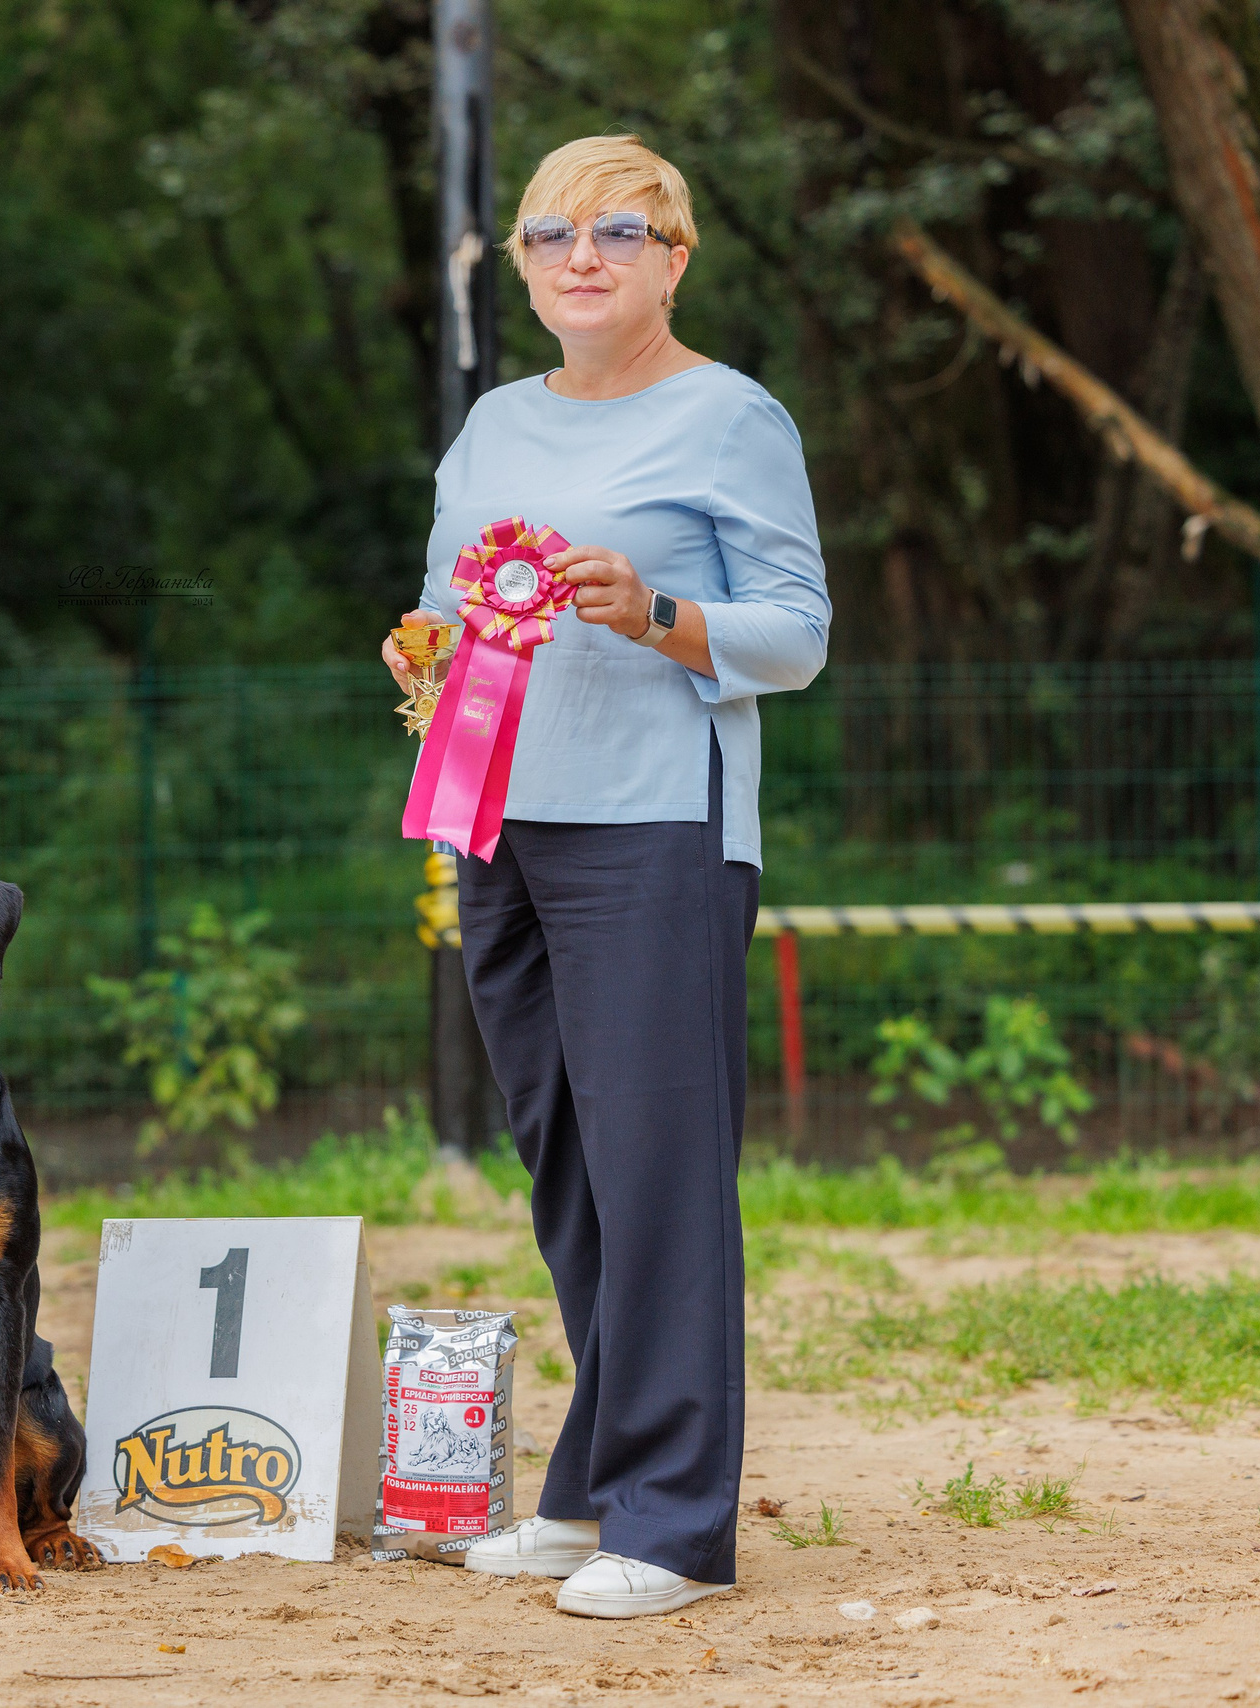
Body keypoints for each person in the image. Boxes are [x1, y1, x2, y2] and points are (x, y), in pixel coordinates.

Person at [383, 135, 829, 1618]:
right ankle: (591, 1486)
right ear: (519, 263)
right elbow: (455, 603)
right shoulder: (493, 424)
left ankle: (680, 1524)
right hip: (500, 825)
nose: (585, 254)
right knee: (572, 1175)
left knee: (661, 1183)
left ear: (674, 258)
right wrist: (422, 652)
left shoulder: (730, 416)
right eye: (553, 233)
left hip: (655, 832)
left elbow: (797, 635)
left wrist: (659, 612)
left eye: (621, 232)